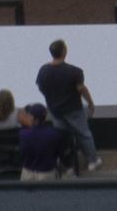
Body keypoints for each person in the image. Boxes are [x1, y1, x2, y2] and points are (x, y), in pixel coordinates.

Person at [35, 40, 98, 174]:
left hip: (55, 111)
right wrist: (91, 103)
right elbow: (81, 89)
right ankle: (92, 161)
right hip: (74, 109)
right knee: (84, 134)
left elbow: (41, 87)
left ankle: (67, 164)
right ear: (64, 51)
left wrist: (50, 98)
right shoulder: (74, 71)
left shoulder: (43, 70)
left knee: (62, 137)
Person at [17, 103, 69, 181]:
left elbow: (22, 154)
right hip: (47, 174)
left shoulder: (23, 134)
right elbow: (60, 154)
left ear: (33, 118)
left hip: (27, 174)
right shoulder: (54, 134)